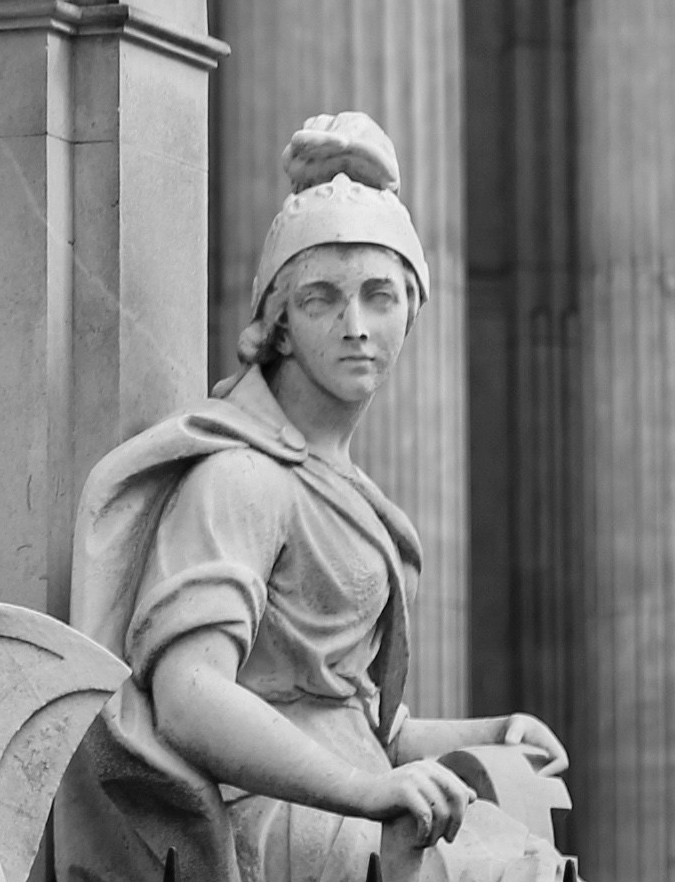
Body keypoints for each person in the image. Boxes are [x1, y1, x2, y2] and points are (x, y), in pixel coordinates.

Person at [53, 115, 569, 882]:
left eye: (380, 297)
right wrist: (367, 791)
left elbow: (353, 724)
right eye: (323, 300)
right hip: (270, 818)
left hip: (349, 803)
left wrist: (490, 733)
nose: (356, 327)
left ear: (410, 311)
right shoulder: (244, 477)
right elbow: (188, 695)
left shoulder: (345, 489)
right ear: (281, 326)